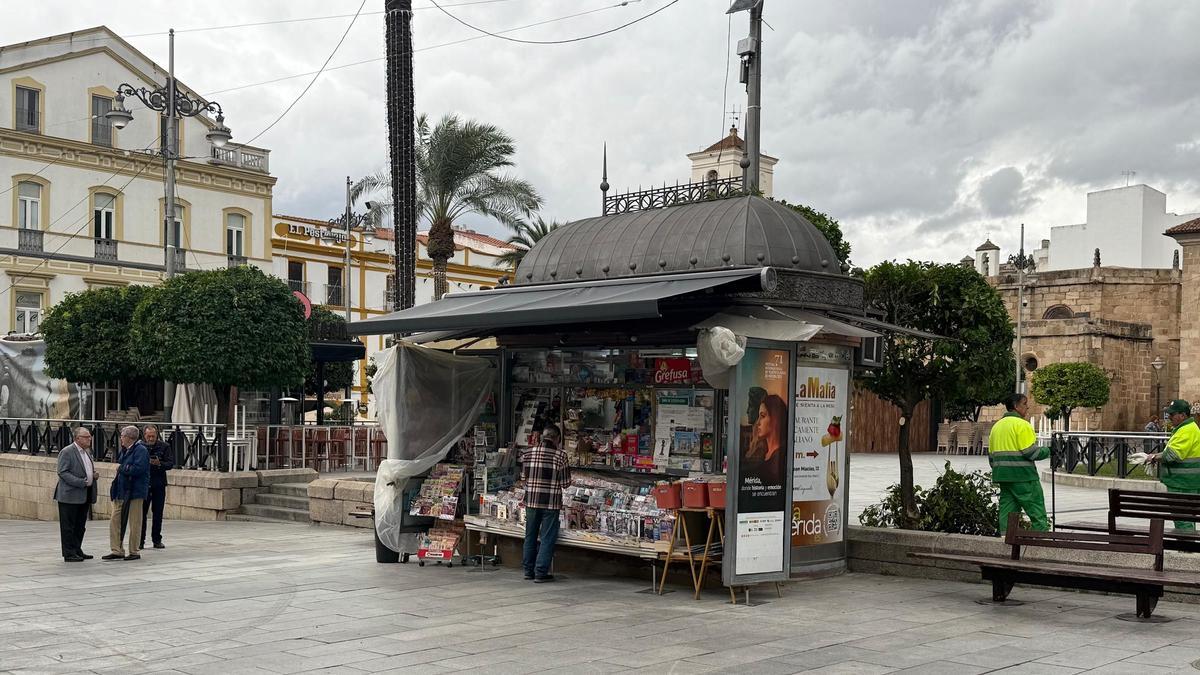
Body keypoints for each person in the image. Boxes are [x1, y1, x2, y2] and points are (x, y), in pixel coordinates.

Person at [988, 393, 1051, 534]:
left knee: (1008, 513)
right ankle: (1040, 542)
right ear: (1016, 406)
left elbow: (991, 458)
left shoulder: (996, 427)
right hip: (1024, 477)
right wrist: (1049, 451)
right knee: (1036, 511)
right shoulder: (1022, 425)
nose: (1027, 407)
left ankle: (1006, 542)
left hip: (1003, 477)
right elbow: (1031, 453)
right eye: (1024, 403)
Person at [520, 424, 570, 583]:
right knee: (547, 537)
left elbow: (523, 478)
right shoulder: (560, 456)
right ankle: (541, 572)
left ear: (542, 437)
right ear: (557, 439)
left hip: (532, 502)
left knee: (530, 535)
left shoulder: (527, 454)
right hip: (551, 503)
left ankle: (528, 571)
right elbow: (566, 483)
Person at [1147, 399, 1200, 530]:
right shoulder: (1187, 428)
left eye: (1172, 414)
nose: (1169, 417)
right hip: (1186, 482)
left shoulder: (1187, 430)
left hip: (1182, 483)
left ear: (1182, 415)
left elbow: (1171, 455)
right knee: (1186, 517)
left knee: (1183, 519)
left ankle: (1186, 547)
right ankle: (1187, 546)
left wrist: (1152, 457)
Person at [104, 426, 149, 561]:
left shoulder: (140, 450)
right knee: (115, 520)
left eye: (122, 436)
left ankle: (134, 550)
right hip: (121, 491)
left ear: (129, 437)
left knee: (135, 521)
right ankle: (117, 549)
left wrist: (123, 467)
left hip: (134, 491)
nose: (121, 438)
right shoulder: (126, 450)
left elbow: (138, 469)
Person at [53, 427, 98, 562]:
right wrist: (81, 482)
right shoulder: (67, 452)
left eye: (89, 436)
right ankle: (69, 553)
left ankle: (77, 549)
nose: (89, 439)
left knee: (80, 525)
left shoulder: (87, 452)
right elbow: (63, 472)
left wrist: (93, 476)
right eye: (86, 437)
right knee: (68, 526)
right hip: (70, 496)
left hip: (85, 495)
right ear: (77, 438)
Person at [140, 425, 173, 550]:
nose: (151, 438)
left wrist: (159, 463)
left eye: (153, 436)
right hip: (144, 483)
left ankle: (157, 539)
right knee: (141, 514)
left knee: (158, 512)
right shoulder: (140, 447)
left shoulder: (164, 446)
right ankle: (140, 540)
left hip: (159, 483)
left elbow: (170, 463)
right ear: (144, 435)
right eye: (148, 436)